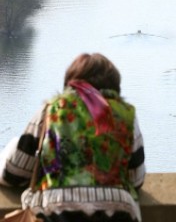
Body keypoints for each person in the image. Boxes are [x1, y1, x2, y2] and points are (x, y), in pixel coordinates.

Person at [0, 53, 146, 222]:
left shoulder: (52, 111)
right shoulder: (126, 116)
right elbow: (136, 179)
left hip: (54, 214)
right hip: (119, 214)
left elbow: (13, 173)